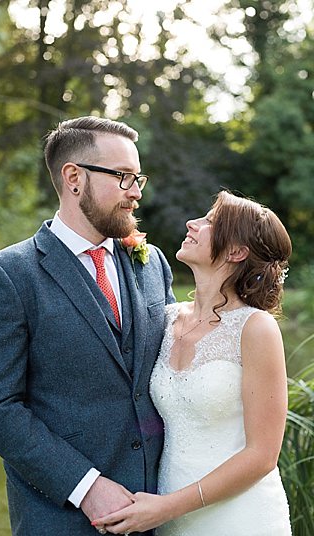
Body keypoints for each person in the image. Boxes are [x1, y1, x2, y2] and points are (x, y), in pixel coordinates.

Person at [0, 116, 175, 535]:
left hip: (162, 510)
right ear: (74, 177)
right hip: (64, 519)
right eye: (123, 178)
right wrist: (87, 487)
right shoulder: (7, 275)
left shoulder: (152, 264)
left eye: (139, 179)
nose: (136, 193)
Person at [92, 191, 292, 535]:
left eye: (210, 222)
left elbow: (262, 456)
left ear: (236, 252)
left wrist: (165, 508)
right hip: (169, 516)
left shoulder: (256, 328)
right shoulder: (166, 320)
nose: (192, 224)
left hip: (239, 516)